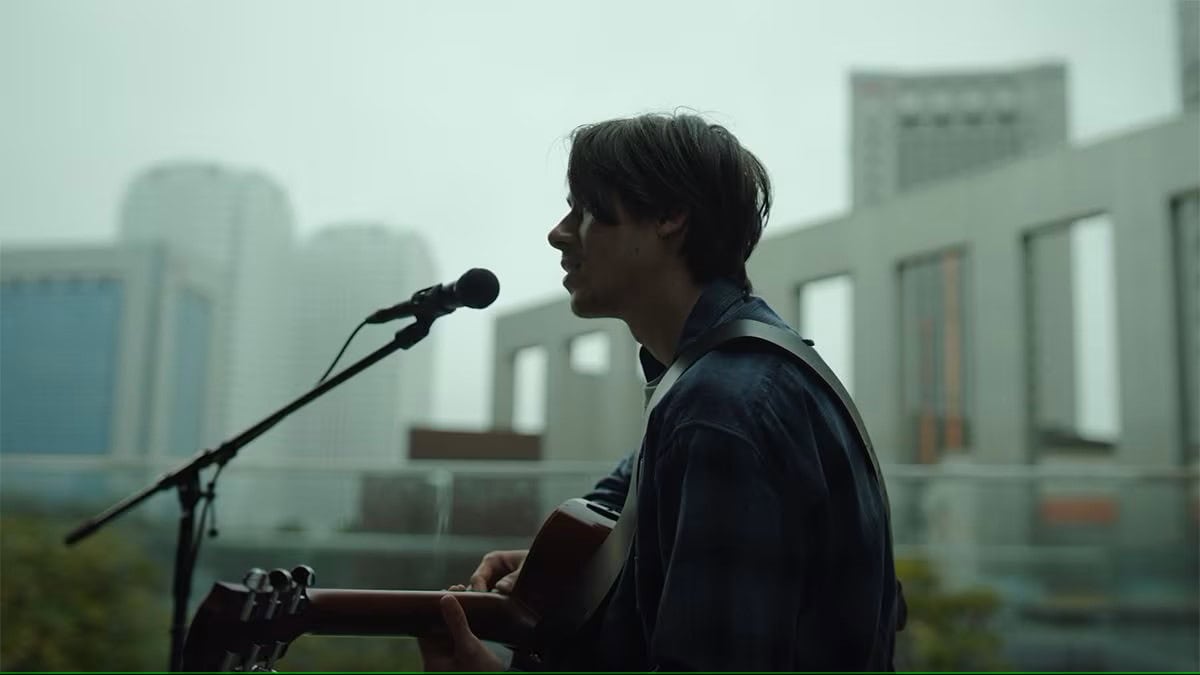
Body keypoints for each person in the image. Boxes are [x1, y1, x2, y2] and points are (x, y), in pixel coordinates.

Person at [418, 112, 903, 671]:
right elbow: (627, 503)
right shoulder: (724, 382)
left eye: (587, 208)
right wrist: (556, 565)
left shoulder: (721, 409)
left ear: (671, 216)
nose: (558, 233)